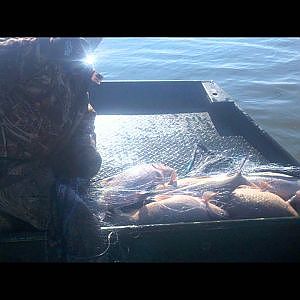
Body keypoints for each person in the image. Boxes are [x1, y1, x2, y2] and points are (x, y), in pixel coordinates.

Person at [0, 37, 104, 261]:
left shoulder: (78, 64)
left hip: (49, 158)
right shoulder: (23, 53)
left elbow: (82, 109)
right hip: (10, 166)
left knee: (86, 172)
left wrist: (83, 143)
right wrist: (43, 47)